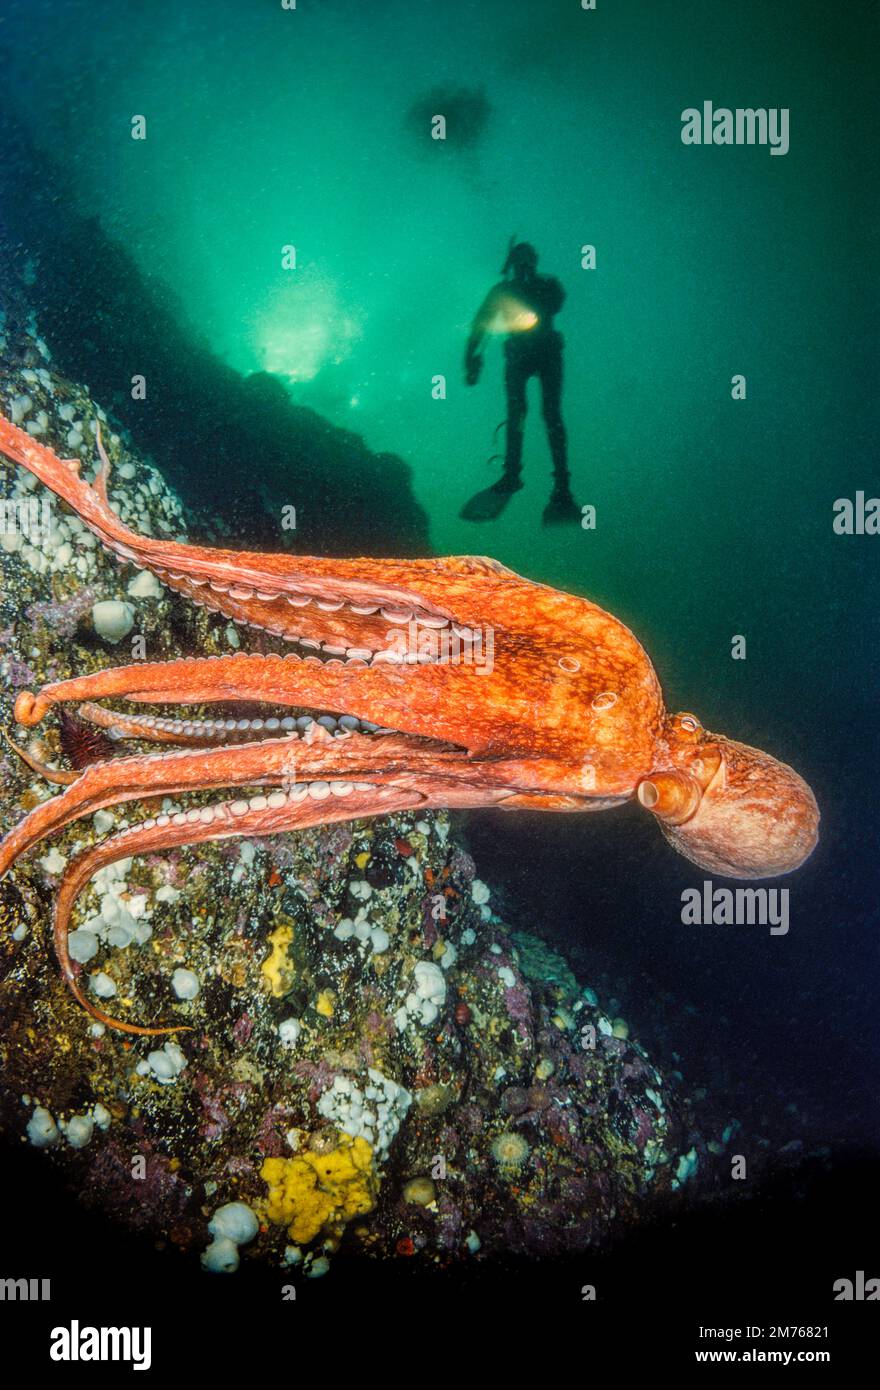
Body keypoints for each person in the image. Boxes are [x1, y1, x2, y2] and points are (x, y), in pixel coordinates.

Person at [461, 240, 581, 524]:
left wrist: (471, 360)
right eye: (520, 261)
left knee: (550, 415)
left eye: (528, 261)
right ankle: (514, 473)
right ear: (513, 264)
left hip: (545, 354)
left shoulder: (544, 286)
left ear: (535, 262)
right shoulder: (503, 291)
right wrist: (471, 359)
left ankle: (560, 484)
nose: (525, 266)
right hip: (521, 355)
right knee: (518, 413)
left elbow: (556, 303)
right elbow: (479, 326)